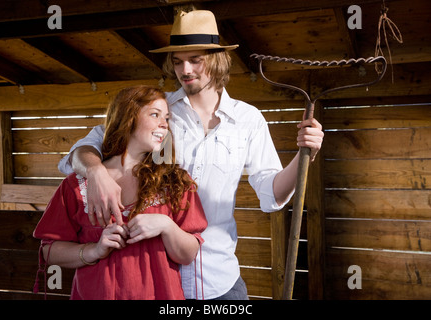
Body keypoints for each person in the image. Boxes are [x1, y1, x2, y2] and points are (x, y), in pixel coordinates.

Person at [58, 10, 324, 300]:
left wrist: (304, 156)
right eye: (177, 61)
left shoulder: (249, 120)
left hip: (219, 281)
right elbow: (81, 151)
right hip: (159, 281)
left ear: (217, 60)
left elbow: (271, 194)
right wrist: (96, 172)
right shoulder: (156, 113)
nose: (185, 70)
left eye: (195, 60)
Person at [34, 85, 208, 300]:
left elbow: (188, 254)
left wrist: (166, 226)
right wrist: (94, 250)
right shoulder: (76, 185)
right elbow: (49, 252)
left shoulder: (176, 182)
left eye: (166, 117)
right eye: (155, 115)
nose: (164, 124)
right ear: (128, 117)